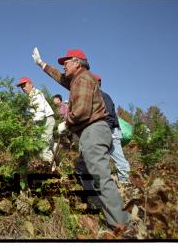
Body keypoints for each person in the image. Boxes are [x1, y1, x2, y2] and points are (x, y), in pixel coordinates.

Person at [32, 47, 129, 230]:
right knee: (83, 168)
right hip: (88, 133)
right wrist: (41, 64)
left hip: (93, 131)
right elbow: (60, 78)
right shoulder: (77, 80)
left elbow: (82, 111)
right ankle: (96, 205)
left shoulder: (83, 79)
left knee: (100, 176)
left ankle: (121, 225)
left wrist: (66, 123)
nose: (63, 66)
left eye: (66, 62)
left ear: (77, 63)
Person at [93, 74, 131, 184]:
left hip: (111, 131)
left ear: (97, 83)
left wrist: (106, 131)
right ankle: (105, 183)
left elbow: (109, 115)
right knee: (101, 158)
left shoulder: (102, 96)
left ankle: (126, 182)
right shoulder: (96, 97)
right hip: (105, 131)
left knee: (117, 157)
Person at [16, 77, 55, 164]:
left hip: (46, 120)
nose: (23, 88)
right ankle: (59, 161)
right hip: (42, 122)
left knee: (43, 146)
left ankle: (50, 169)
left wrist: (30, 124)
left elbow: (40, 112)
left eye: (24, 85)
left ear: (31, 84)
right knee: (50, 145)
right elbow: (29, 113)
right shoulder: (29, 97)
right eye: (21, 87)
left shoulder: (36, 94)